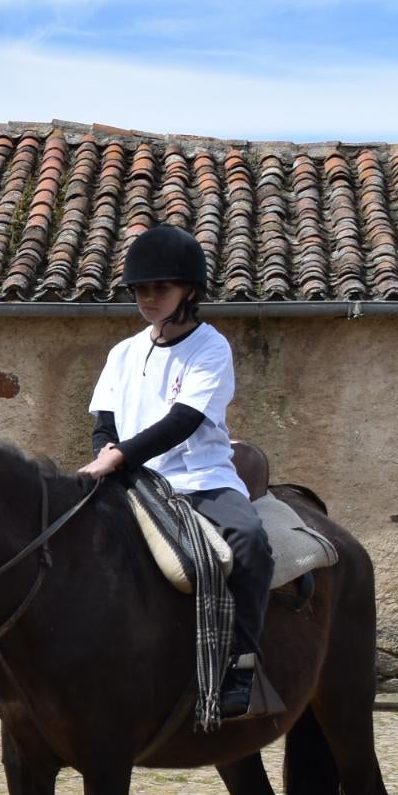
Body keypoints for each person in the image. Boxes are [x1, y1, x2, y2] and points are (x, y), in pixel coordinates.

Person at [76, 223, 268, 718]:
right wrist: (106, 457)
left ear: (191, 291)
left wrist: (116, 458)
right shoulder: (123, 352)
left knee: (250, 541)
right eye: (141, 289)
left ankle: (239, 667)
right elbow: (106, 423)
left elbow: (182, 421)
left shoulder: (212, 347)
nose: (149, 297)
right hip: (134, 479)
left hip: (201, 480)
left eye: (160, 287)